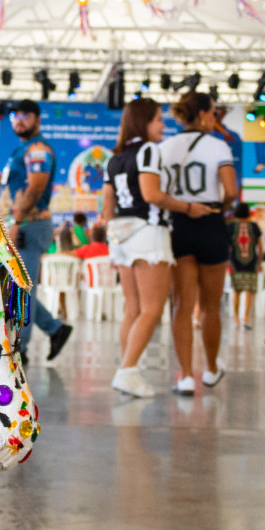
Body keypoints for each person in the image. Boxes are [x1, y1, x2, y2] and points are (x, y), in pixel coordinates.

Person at [101, 97, 204, 396]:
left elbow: (107, 205)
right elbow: (152, 194)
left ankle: (127, 370)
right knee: (152, 309)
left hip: (121, 234)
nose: (163, 125)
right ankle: (127, 371)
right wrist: (188, 207)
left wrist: (114, 237)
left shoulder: (114, 157)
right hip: (148, 233)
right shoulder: (148, 150)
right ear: (143, 122)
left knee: (133, 309)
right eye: (159, 119)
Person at [161, 91, 239, 393]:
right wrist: (223, 205)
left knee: (181, 305)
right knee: (210, 306)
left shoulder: (166, 146)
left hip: (178, 222)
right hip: (211, 222)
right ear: (206, 113)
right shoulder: (217, 145)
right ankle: (211, 368)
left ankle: (185, 375)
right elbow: (230, 189)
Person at [1, 100, 74, 360]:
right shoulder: (22, 149)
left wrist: (17, 220)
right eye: (15, 115)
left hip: (30, 225)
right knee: (16, 288)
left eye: (25, 115)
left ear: (37, 119)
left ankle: (22, 350)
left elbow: (35, 188)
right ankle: (55, 329)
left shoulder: (38, 149)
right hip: (23, 224)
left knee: (21, 289)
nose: (19, 120)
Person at [229, 203, 264, 324]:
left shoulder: (231, 226)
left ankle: (236, 318)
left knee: (236, 290)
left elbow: (227, 247)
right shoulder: (254, 226)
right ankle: (246, 317)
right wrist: (260, 262)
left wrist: (228, 262)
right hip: (252, 262)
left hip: (235, 262)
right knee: (250, 290)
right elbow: (260, 247)